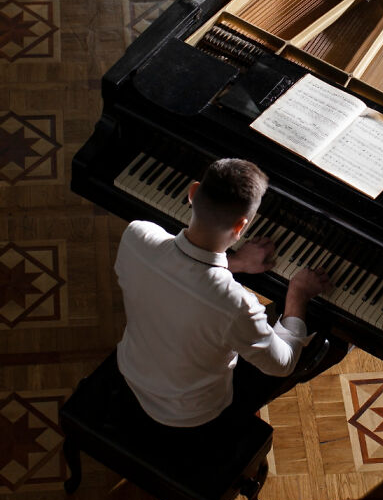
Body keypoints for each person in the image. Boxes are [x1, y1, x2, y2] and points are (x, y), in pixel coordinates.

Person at [115, 156, 343, 431]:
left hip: (131, 368)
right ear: (240, 227)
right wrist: (297, 295)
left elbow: (184, 276)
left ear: (193, 192)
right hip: (194, 412)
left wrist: (237, 264)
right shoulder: (235, 306)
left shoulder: (137, 235)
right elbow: (281, 364)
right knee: (333, 341)